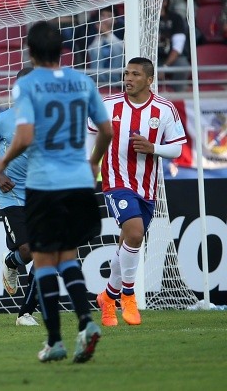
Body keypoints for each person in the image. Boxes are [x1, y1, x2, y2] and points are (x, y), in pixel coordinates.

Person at [0, 21, 112, 363]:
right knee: (68, 256)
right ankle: (86, 322)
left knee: (43, 261)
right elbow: (106, 130)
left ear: (30, 51)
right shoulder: (82, 81)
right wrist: (93, 162)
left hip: (43, 183)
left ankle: (55, 340)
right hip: (78, 182)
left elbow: (25, 136)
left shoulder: (28, 85)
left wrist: (2, 163)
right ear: (63, 50)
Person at [94, 57, 187, 327]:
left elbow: (178, 149)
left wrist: (153, 148)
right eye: (126, 73)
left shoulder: (165, 109)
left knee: (128, 242)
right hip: (115, 181)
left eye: (135, 74)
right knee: (134, 233)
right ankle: (128, 294)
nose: (129, 78)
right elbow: (92, 136)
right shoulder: (108, 105)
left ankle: (107, 298)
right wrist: (88, 164)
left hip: (146, 187)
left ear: (149, 79)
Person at [0, 67, 39, 327]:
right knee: (28, 249)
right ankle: (11, 261)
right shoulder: (3, 119)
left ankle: (26, 312)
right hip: (11, 194)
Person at [87, 6, 124, 84]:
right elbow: (89, 50)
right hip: (96, 79)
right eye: (103, 15)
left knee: (118, 48)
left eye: (109, 16)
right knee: (96, 49)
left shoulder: (121, 30)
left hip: (116, 78)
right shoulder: (90, 30)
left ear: (115, 20)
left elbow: (122, 48)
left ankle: (114, 80)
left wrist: (107, 34)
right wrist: (100, 34)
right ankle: (97, 79)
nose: (105, 19)